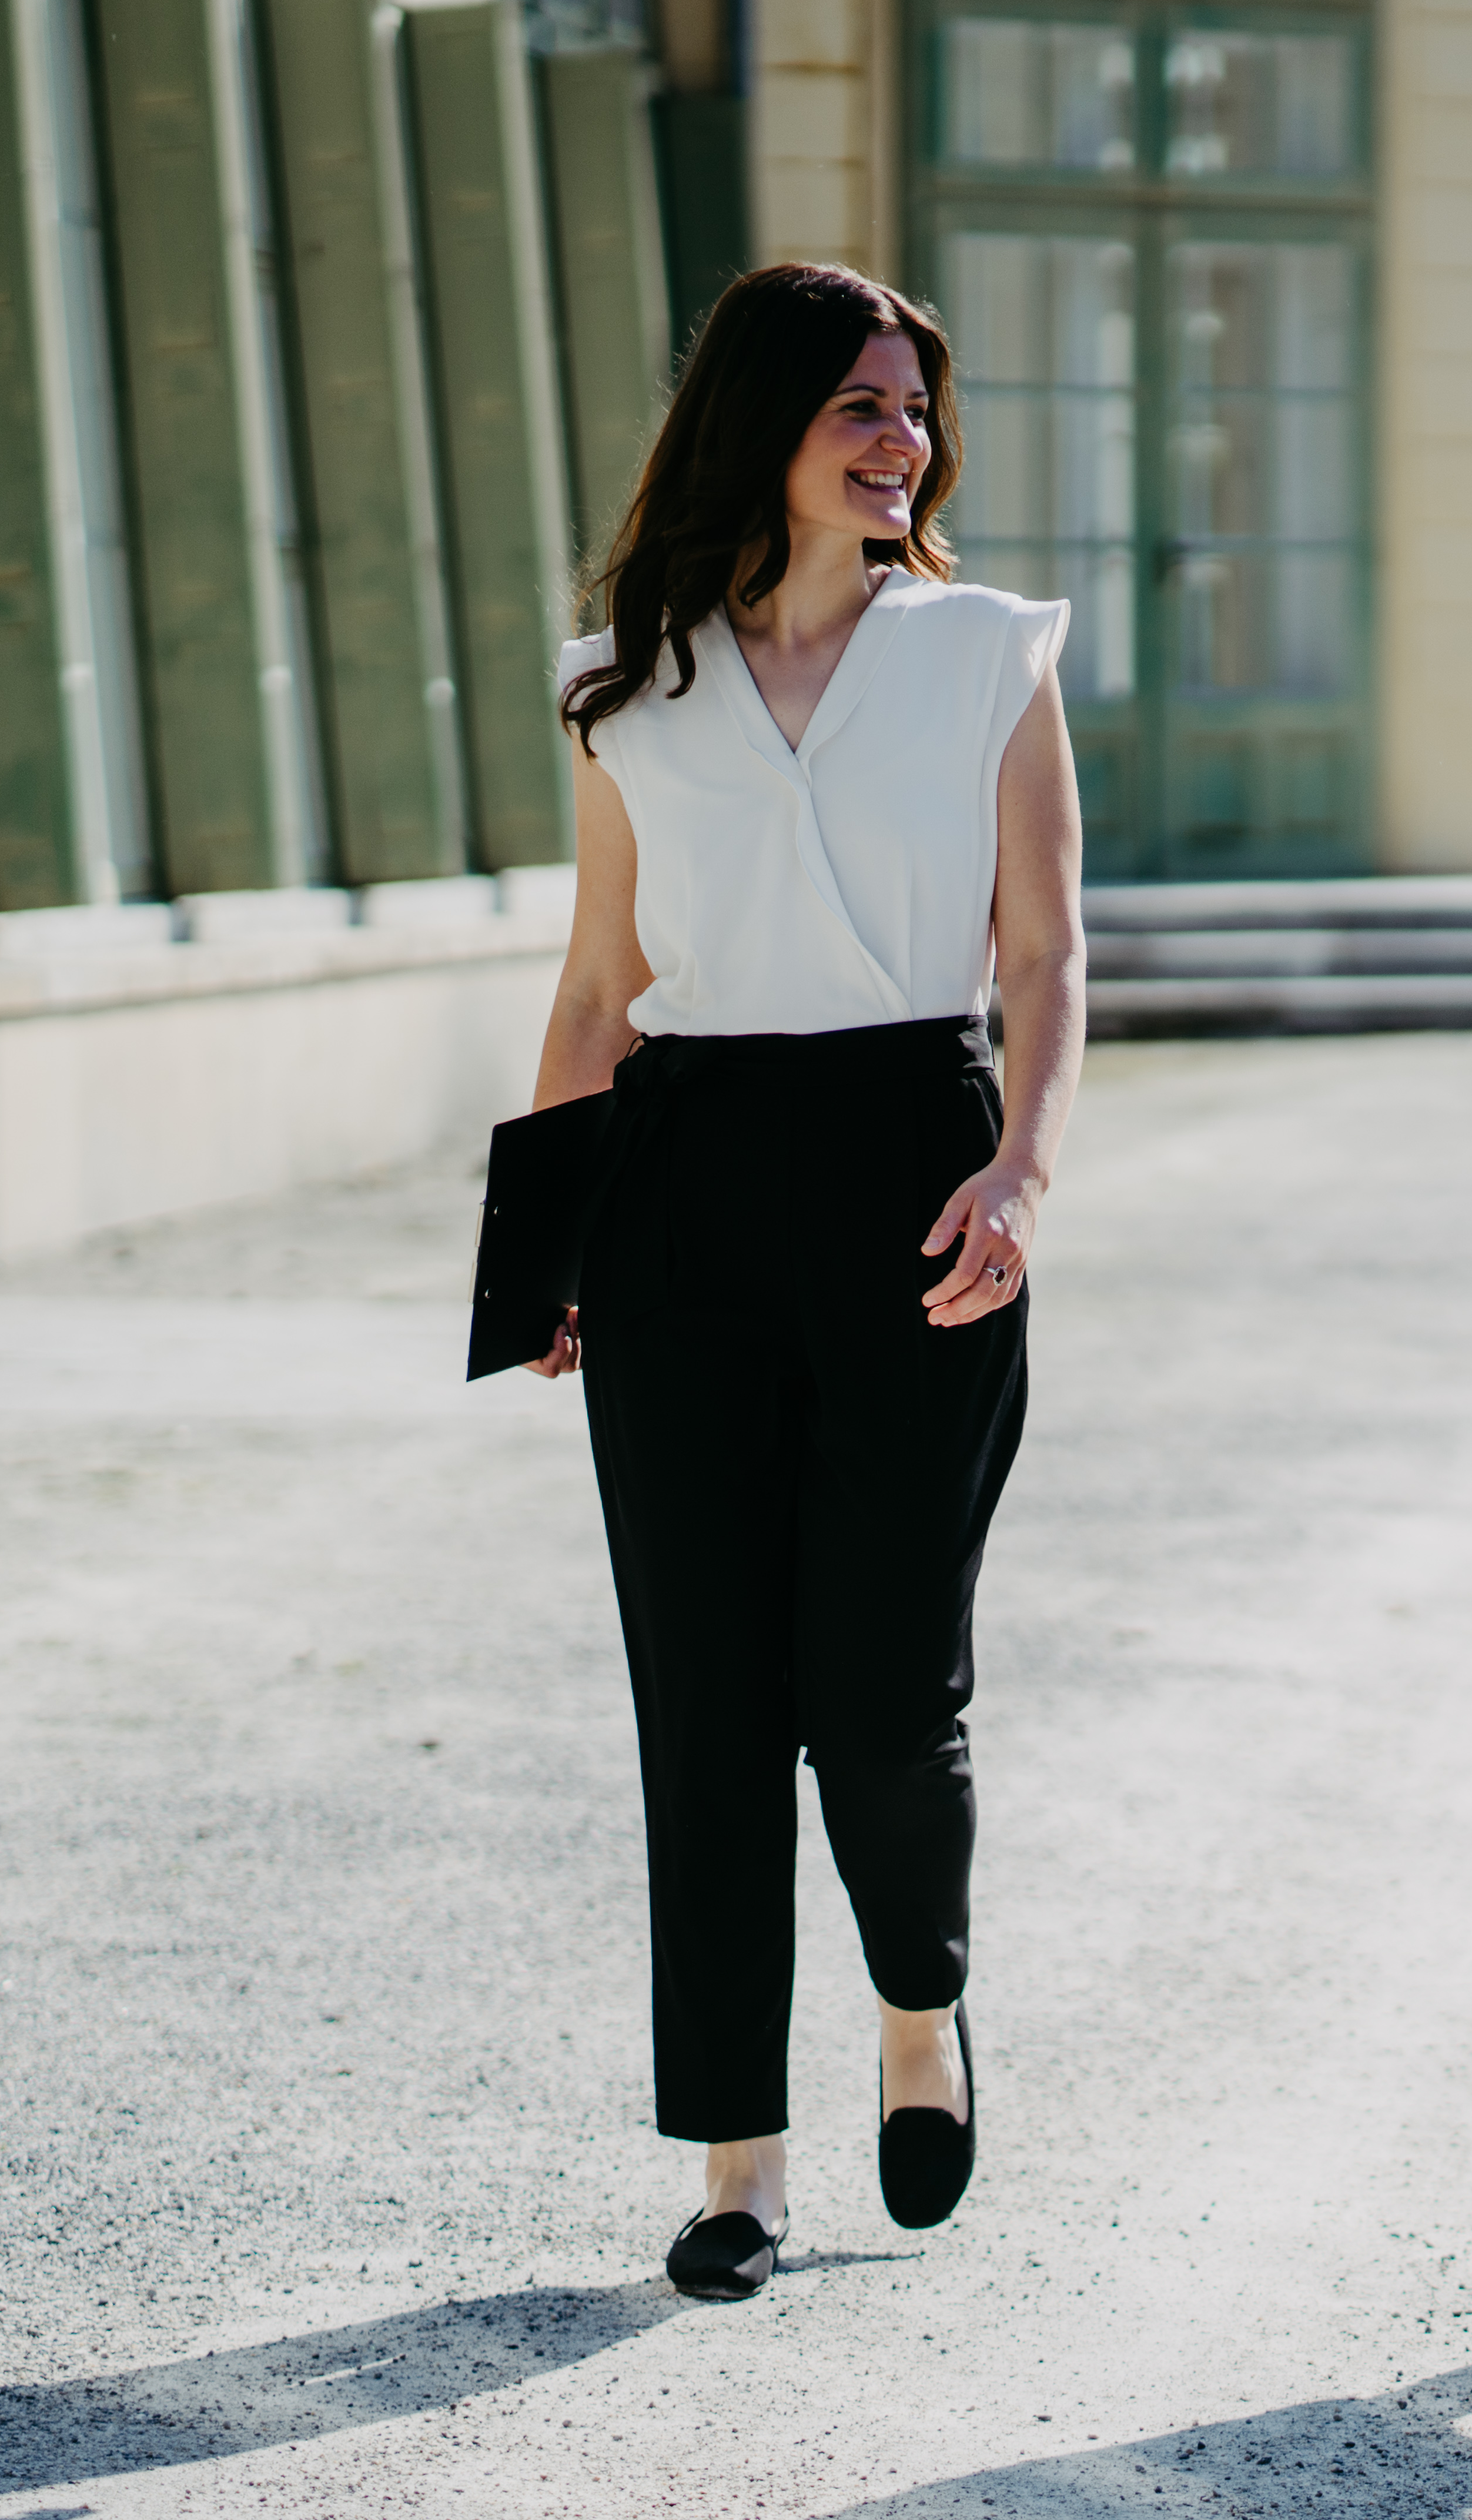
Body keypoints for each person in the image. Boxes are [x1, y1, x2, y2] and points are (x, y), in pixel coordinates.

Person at [523, 263, 1084, 2301]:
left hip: (912, 1177)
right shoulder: (625, 681)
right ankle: (735, 2167)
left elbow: (1042, 951)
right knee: (707, 1698)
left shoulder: (983, 655)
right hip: (677, 1183)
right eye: (860, 403)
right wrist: (547, 1248)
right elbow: (599, 981)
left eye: (915, 410)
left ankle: (919, 2010)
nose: (898, 440)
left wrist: (1020, 1164)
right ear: (759, 417)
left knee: (876, 1673)